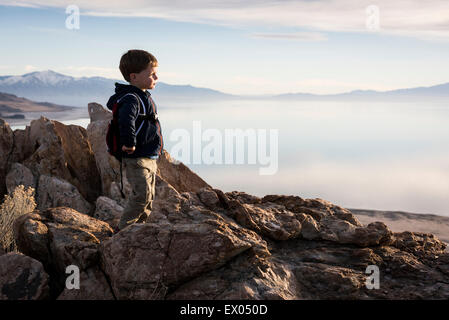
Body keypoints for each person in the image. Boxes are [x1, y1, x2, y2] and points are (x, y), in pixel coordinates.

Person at [106, 49, 164, 230]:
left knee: (149, 196)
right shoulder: (131, 98)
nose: (156, 77)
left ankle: (139, 229)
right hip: (137, 156)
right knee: (142, 195)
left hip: (149, 155)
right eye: (152, 74)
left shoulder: (142, 95)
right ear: (134, 77)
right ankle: (124, 231)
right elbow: (126, 121)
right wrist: (129, 142)